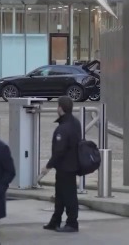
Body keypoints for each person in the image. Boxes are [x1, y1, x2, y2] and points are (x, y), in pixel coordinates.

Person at [40, 96, 82, 233]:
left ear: (60, 108)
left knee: (68, 196)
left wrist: (48, 166)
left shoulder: (63, 128)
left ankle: (72, 223)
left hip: (65, 167)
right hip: (72, 165)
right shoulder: (75, 123)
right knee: (60, 195)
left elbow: (59, 150)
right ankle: (55, 221)